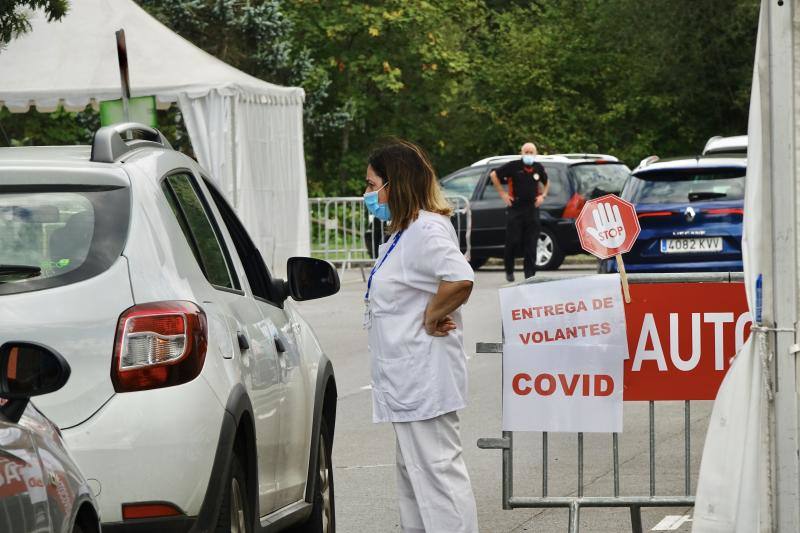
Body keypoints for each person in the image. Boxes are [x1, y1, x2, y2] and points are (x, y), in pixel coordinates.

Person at [362, 139, 479, 533]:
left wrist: (433, 315)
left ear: (394, 184)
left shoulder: (426, 230)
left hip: (423, 377)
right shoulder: (404, 232)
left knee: (438, 477)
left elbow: (460, 279)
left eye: (371, 184)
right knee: (415, 478)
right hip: (407, 378)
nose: (367, 194)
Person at [489, 142, 549, 282]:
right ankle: (509, 270)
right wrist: (503, 194)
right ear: (521, 153)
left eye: (531, 152)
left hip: (532, 209)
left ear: (535, 153)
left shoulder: (538, 167)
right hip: (515, 208)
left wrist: (543, 195)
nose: (528, 154)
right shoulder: (513, 166)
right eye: (526, 152)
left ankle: (530, 275)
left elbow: (546, 182)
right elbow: (493, 175)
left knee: (531, 242)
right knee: (513, 240)